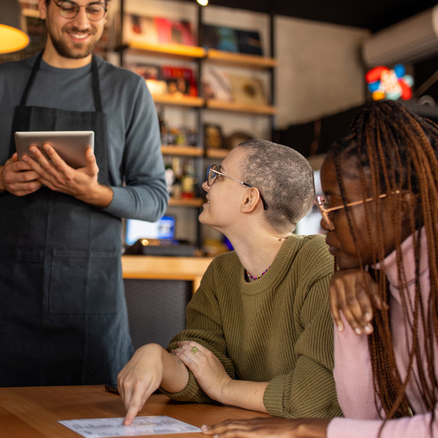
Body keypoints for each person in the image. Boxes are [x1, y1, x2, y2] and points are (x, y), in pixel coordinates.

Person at [200, 101, 438, 437]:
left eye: (337, 206)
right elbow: (364, 413)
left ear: (398, 206)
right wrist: (348, 295)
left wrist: (308, 429)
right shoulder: (381, 276)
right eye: (324, 206)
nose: (325, 225)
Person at [0, 0, 168, 387]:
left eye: (94, 9)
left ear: (106, 14)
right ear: (42, 8)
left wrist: (95, 193)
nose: (81, 21)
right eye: (68, 7)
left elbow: (154, 200)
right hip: (9, 297)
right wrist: (0, 178)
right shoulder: (2, 81)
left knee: (92, 416)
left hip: (91, 299)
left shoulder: (128, 90)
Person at [117, 139, 342, 425]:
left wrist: (225, 387)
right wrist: (158, 359)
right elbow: (203, 370)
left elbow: (314, 399)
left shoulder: (319, 261)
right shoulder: (221, 271)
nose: (206, 185)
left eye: (218, 176)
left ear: (249, 199)